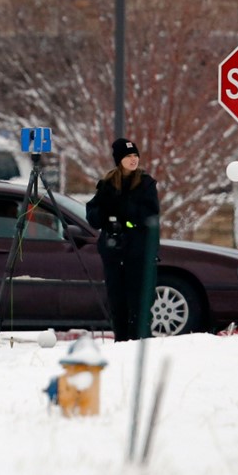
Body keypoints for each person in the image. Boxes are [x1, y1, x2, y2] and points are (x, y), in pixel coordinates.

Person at [85, 138, 161, 342]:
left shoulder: (146, 184)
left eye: (135, 155)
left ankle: (139, 342)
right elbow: (92, 213)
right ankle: (121, 341)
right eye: (128, 156)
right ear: (119, 159)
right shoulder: (108, 183)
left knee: (138, 303)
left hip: (139, 254)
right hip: (114, 251)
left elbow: (150, 216)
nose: (133, 159)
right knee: (117, 302)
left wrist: (124, 212)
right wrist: (105, 214)